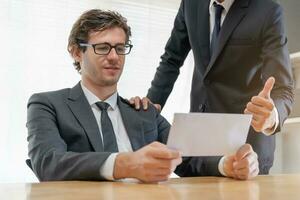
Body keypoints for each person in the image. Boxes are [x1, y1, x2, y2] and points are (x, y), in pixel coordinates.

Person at [26, 9, 258, 182]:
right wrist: (126, 163)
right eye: (103, 47)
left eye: (120, 47)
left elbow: (185, 157)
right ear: (77, 52)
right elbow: (48, 163)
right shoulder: (47, 105)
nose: (114, 56)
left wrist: (226, 164)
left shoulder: (143, 111)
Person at [130, 0, 294, 174]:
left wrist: (272, 116)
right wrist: (152, 106)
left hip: (246, 145)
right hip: (200, 140)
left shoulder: (268, 11)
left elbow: (282, 88)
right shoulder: (190, 4)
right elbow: (172, 59)